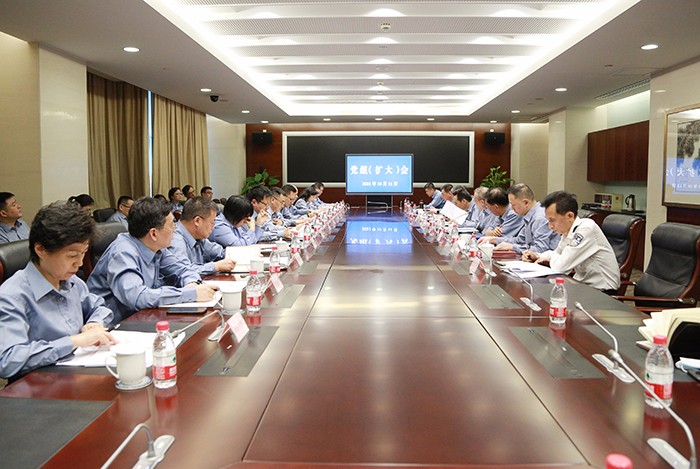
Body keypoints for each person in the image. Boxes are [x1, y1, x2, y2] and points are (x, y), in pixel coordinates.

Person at [0, 201, 116, 379]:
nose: (79, 263)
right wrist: (73, 342)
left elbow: (99, 307)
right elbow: (8, 360)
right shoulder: (12, 296)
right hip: (39, 386)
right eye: (72, 255)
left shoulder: (72, 281)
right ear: (41, 249)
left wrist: (95, 323)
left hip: (78, 374)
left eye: (83, 253)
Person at [87, 197, 217, 325]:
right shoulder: (123, 252)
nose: (175, 229)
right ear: (154, 233)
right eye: (172, 225)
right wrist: (189, 294)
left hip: (144, 316)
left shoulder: (157, 247)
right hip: (113, 325)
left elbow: (183, 269)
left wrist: (192, 283)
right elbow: (136, 297)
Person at [523, 191, 621, 293]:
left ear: (570, 216)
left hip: (602, 292)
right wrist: (538, 256)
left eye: (552, 220)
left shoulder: (586, 229)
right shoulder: (568, 231)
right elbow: (558, 253)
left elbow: (561, 267)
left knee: (544, 295)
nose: (550, 226)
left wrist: (552, 258)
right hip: (582, 286)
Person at [480, 183, 559, 253]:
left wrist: (512, 247)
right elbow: (519, 240)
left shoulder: (539, 218)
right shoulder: (529, 216)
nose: (512, 208)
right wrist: (493, 240)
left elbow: (540, 250)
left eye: (513, 205)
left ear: (526, 202)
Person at [169, 197, 235, 275]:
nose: (213, 226)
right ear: (197, 221)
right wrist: (215, 266)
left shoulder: (199, 236)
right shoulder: (175, 239)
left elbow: (220, 252)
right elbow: (183, 271)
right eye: (212, 222)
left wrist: (240, 254)